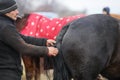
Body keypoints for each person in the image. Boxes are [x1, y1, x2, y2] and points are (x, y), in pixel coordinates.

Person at [0, 0, 58, 80]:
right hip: (7, 74)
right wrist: (47, 51)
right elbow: (23, 48)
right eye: (13, 10)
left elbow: (22, 38)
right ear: (5, 11)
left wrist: (44, 42)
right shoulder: (5, 27)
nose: (17, 12)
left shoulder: (4, 24)